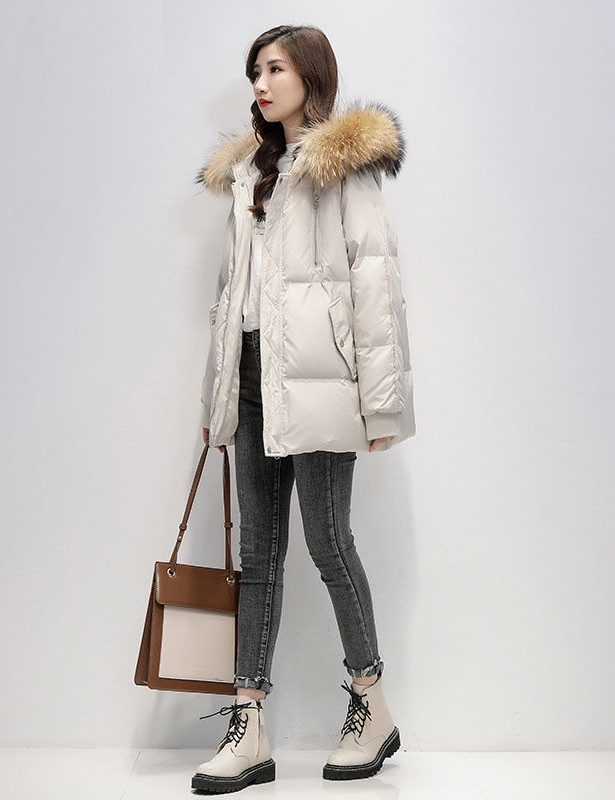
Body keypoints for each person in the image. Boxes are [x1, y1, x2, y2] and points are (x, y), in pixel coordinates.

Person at [192, 24, 416, 794]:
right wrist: (219, 393)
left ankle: (371, 704)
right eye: (254, 71)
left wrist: (382, 408)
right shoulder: (250, 173)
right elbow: (231, 297)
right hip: (254, 379)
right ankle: (248, 725)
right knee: (259, 555)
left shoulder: (342, 167)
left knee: (328, 542)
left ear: (309, 76)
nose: (260, 83)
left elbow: (375, 287)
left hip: (322, 385)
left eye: (275, 68)